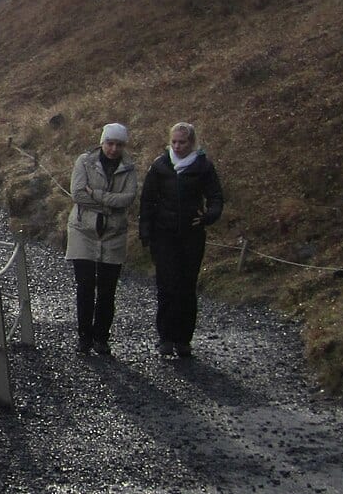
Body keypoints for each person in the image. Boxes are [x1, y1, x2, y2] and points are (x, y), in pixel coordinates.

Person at [138, 120, 224, 359]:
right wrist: (145, 231)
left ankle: (184, 339)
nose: (177, 146)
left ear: (192, 142)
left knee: (187, 286)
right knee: (166, 285)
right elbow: (147, 200)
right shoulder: (160, 166)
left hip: (191, 235)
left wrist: (208, 216)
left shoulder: (204, 167)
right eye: (174, 142)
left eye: (182, 142)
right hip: (163, 234)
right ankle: (165, 337)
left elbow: (216, 197)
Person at [65, 123, 139, 356]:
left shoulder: (129, 167)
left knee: (108, 290)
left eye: (119, 144)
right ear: (102, 142)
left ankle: (101, 338)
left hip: (114, 234)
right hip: (82, 231)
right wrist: (110, 204)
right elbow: (77, 194)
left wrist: (97, 195)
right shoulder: (84, 161)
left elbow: (128, 198)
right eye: (110, 143)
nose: (113, 149)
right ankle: (84, 337)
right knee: (85, 286)